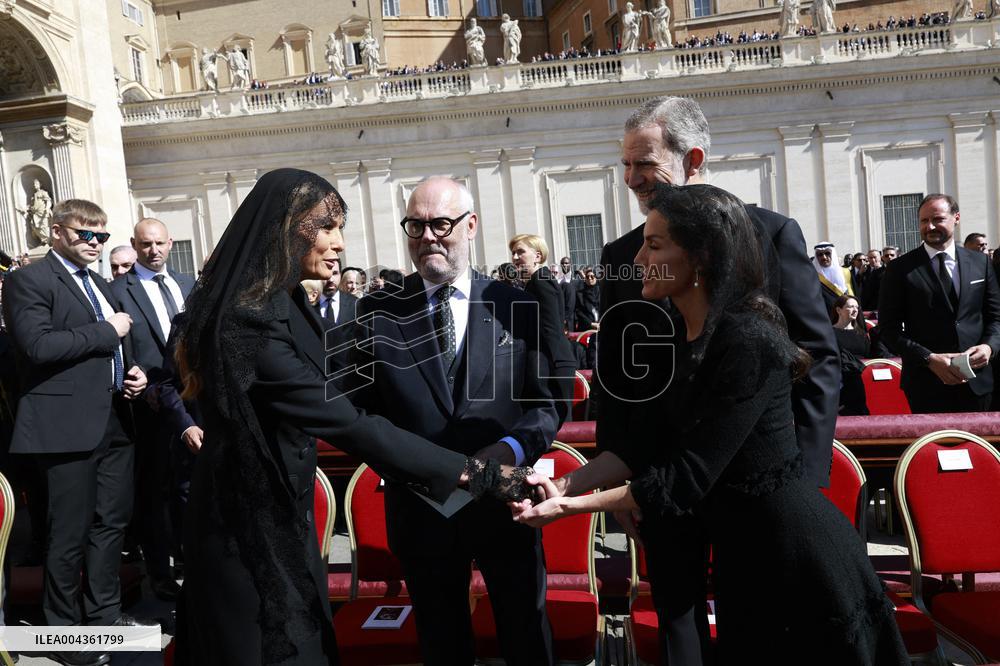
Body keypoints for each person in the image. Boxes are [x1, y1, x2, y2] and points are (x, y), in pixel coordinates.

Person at [512, 182, 909, 665]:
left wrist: (570, 506)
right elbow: (641, 445)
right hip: (743, 557)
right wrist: (561, 483)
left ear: (701, 256)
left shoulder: (749, 337)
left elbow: (685, 476)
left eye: (654, 245)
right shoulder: (678, 336)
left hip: (797, 560)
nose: (637, 258)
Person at [172, 169, 529, 665]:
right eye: (326, 228)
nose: (340, 244)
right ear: (287, 229)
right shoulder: (249, 319)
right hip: (245, 527)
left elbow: (346, 391)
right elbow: (346, 422)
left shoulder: (290, 303)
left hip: (284, 515)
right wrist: (477, 473)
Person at [594, 96, 839, 664]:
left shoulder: (771, 234)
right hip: (660, 477)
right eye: (626, 165)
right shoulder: (620, 256)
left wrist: (800, 474)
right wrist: (617, 468)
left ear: (693, 158)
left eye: (645, 164)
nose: (632, 180)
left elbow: (816, 358)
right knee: (677, 620)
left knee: (759, 625)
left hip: (753, 485)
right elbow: (617, 379)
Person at [345, 177, 560, 665]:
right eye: (415, 225)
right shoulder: (375, 311)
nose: (428, 237)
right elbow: (357, 414)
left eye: (440, 224)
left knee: (526, 633)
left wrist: (510, 450)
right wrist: (417, 464)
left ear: (471, 226)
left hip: (506, 505)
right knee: (442, 643)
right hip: (422, 512)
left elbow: (548, 404)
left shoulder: (518, 304)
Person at [2, 199, 149, 666]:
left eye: (102, 235)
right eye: (86, 233)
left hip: (115, 418)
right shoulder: (29, 279)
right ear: (57, 232)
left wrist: (134, 372)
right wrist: (108, 333)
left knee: (111, 525)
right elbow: (39, 345)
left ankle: (103, 619)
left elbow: (115, 346)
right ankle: (64, 634)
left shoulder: (102, 285)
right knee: (67, 534)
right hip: (63, 427)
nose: (95, 243)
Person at [110, 218, 195, 602]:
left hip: (193, 403)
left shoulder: (190, 284)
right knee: (155, 492)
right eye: (146, 245)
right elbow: (119, 347)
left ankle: (194, 564)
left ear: (170, 242)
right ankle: (161, 575)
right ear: (134, 244)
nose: (154, 250)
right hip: (148, 405)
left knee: (190, 488)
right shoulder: (117, 291)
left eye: (160, 243)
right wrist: (133, 375)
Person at [877, 193, 1000, 413]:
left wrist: (989, 347)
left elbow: (995, 317)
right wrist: (928, 359)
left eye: (938, 219)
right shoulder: (899, 269)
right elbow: (888, 329)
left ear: (956, 218)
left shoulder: (980, 263)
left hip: (979, 383)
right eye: (924, 221)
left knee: (982, 447)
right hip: (926, 385)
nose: (930, 226)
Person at [509, 233, 578, 424]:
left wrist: (548, 367)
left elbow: (550, 327)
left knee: (558, 427)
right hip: (552, 361)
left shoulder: (540, 281)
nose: (515, 257)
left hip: (552, 363)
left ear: (538, 256)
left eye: (520, 252)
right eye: (513, 253)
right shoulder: (538, 280)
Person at [831, 294, 886, 416]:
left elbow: (871, 357)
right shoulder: (830, 333)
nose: (855, 310)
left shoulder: (861, 333)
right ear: (838, 310)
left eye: (857, 307)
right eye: (850, 307)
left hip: (863, 381)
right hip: (842, 383)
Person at [814, 241, 853, 311]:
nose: (824, 257)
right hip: (823, 313)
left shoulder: (845, 272)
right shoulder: (813, 275)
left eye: (827, 253)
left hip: (844, 311)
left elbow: (850, 293)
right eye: (820, 254)